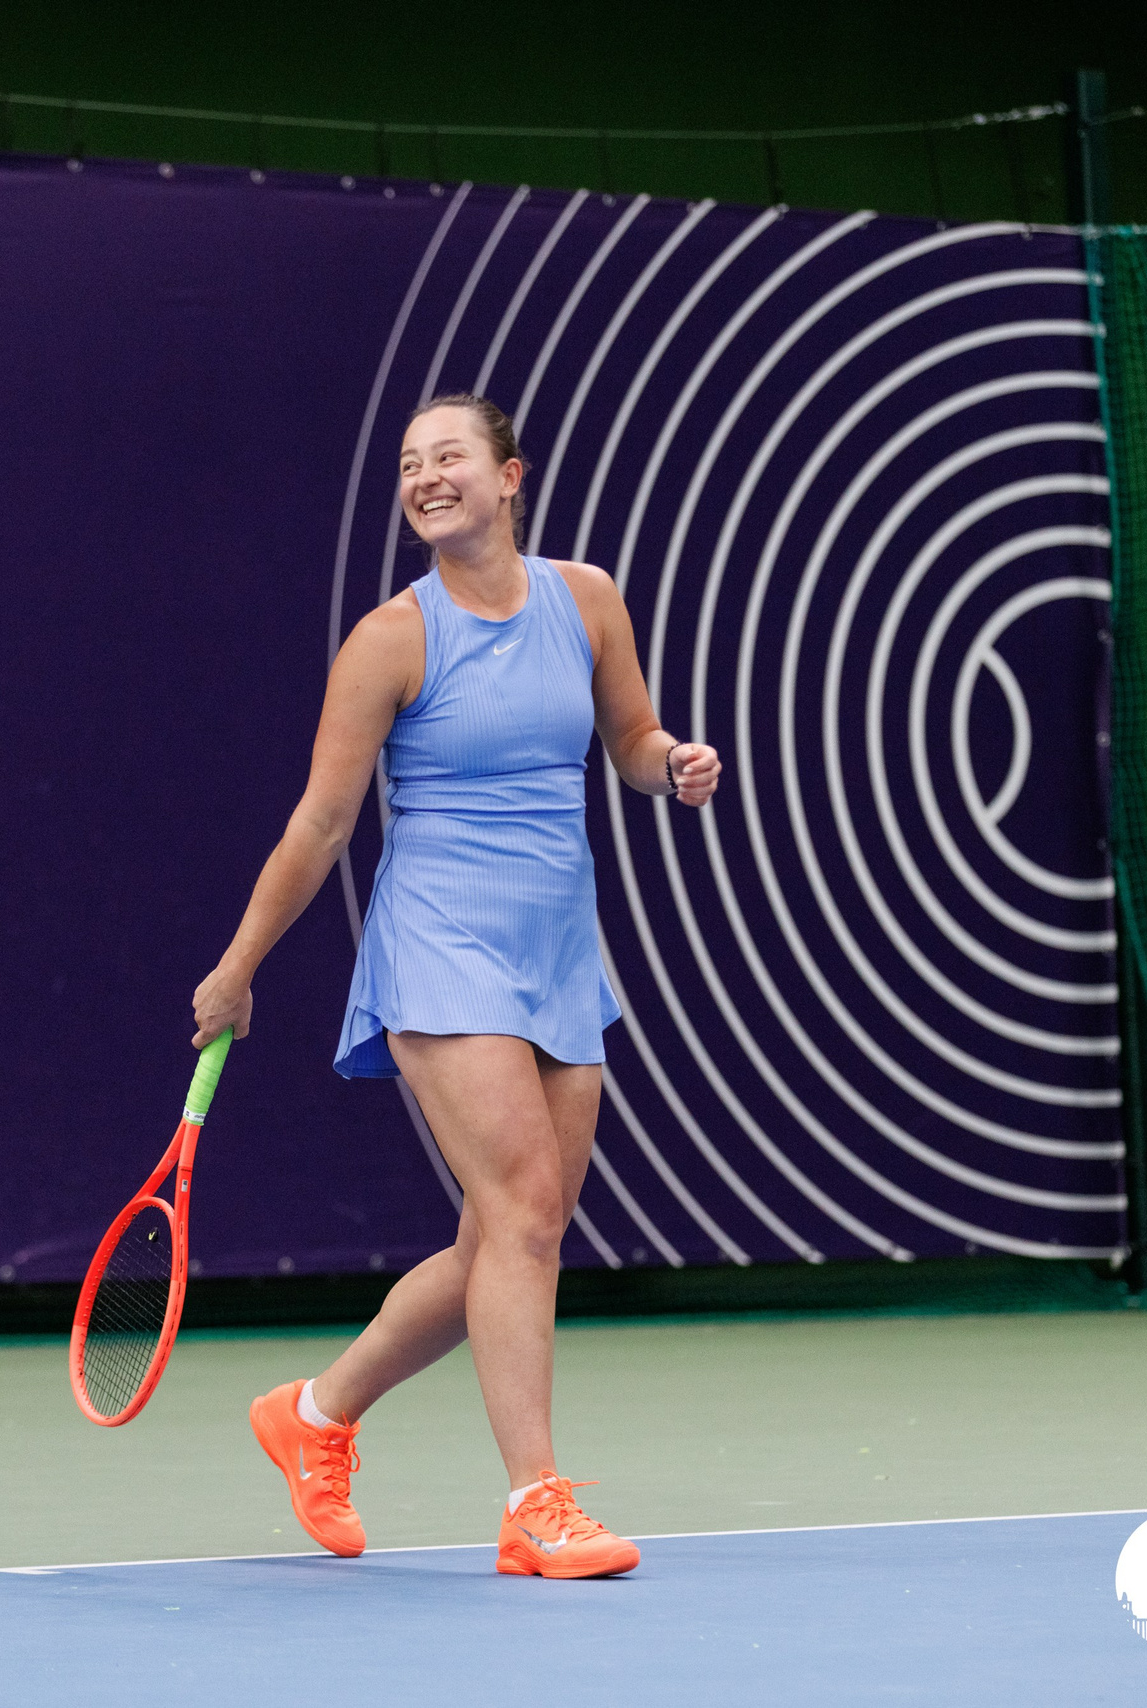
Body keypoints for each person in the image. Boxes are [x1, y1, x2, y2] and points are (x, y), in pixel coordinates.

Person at [190, 393, 722, 1580]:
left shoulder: (586, 599)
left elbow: (628, 738)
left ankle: (314, 1414)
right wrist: (239, 965)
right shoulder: (390, 637)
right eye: (409, 464)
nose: (426, 477)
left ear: (508, 476)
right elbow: (323, 821)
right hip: (439, 941)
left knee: (509, 1230)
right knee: (527, 1209)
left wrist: (670, 765)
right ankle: (536, 1502)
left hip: (557, 944)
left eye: (449, 458)